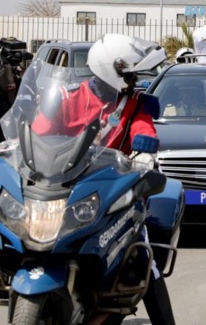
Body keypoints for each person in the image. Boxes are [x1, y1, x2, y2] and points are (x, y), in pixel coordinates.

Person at [31, 34, 176, 325]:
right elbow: (39, 130)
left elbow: (143, 129)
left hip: (113, 187)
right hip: (63, 185)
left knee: (144, 258)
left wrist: (146, 149)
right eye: (130, 74)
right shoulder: (67, 97)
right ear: (113, 69)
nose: (135, 81)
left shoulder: (136, 104)